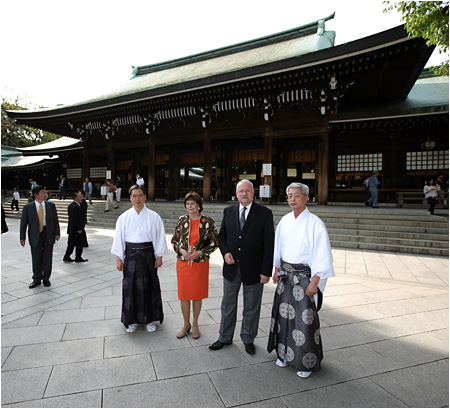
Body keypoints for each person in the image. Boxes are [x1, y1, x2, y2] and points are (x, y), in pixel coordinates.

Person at [267, 182, 335, 378]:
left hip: (304, 278)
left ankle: (306, 363)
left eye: (296, 195)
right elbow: (278, 248)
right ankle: (283, 354)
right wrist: (276, 269)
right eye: (289, 196)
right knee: (282, 316)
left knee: (304, 320)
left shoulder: (315, 223)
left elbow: (323, 254)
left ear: (306, 198)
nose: (292, 199)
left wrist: (315, 280)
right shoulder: (285, 221)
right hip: (285, 276)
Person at [210, 179, 274, 355]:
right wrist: (225, 253)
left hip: (254, 269)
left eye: (247, 191)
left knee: (252, 306)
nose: (244, 194)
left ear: (254, 193)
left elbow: (269, 244)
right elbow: (221, 237)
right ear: (236, 193)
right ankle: (224, 337)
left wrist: (265, 271)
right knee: (228, 305)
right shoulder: (228, 211)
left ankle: (248, 338)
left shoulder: (264, 213)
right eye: (241, 191)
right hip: (231, 268)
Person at [111, 185, 169, 333]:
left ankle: (149, 319)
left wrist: (159, 255)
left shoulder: (154, 217)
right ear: (130, 198)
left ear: (145, 197)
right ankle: (132, 320)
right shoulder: (123, 218)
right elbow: (119, 239)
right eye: (134, 196)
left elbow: (159, 236)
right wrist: (119, 258)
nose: (137, 199)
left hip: (148, 255)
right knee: (130, 288)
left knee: (150, 287)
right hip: (130, 255)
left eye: (140, 195)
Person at [171, 192, 219, 339]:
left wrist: (200, 252)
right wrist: (181, 250)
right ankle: (186, 324)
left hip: (199, 263)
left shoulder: (208, 221)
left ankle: (196, 323)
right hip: (183, 262)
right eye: (187, 203)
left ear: (199, 205)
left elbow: (214, 242)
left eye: (192, 203)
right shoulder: (181, 220)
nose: (189, 206)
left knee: (197, 295)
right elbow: (174, 240)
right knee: (184, 295)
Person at [20, 185, 61, 288]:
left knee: (47, 257)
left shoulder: (50, 206)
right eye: (42, 192)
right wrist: (22, 237)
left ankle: (46, 278)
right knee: (36, 257)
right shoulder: (28, 207)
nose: (45, 194)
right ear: (36, 195)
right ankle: (37, 278)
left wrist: (57, 233)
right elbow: (23, 224)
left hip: (48, 234)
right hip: (35, 234)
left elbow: (55, 221)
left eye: (45, 192)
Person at [63, 191, 88, 263]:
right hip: (77, 229)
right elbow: (77, 219)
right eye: (80, 197)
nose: (81, 199)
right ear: (76, 198)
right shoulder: (77, 207)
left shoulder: (70, 205)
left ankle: (67, 256)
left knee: (71, 243)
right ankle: (78, 257)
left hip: (71, 228)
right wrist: (80, 228)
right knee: (79, 244)